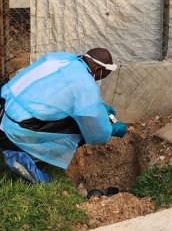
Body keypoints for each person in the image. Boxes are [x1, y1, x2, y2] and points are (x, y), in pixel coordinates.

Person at [0, 48, 127, 183]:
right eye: (103, 75)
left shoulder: (60, 58)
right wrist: (111, 129)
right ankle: (24, 155)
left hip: (2, 110)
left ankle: (17, 147)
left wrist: (100, 107)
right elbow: (98, 134)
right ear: (98, 70)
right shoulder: (85, 84)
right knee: (83, 128)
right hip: (14, 130)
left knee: (77, 117)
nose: (98, 80)